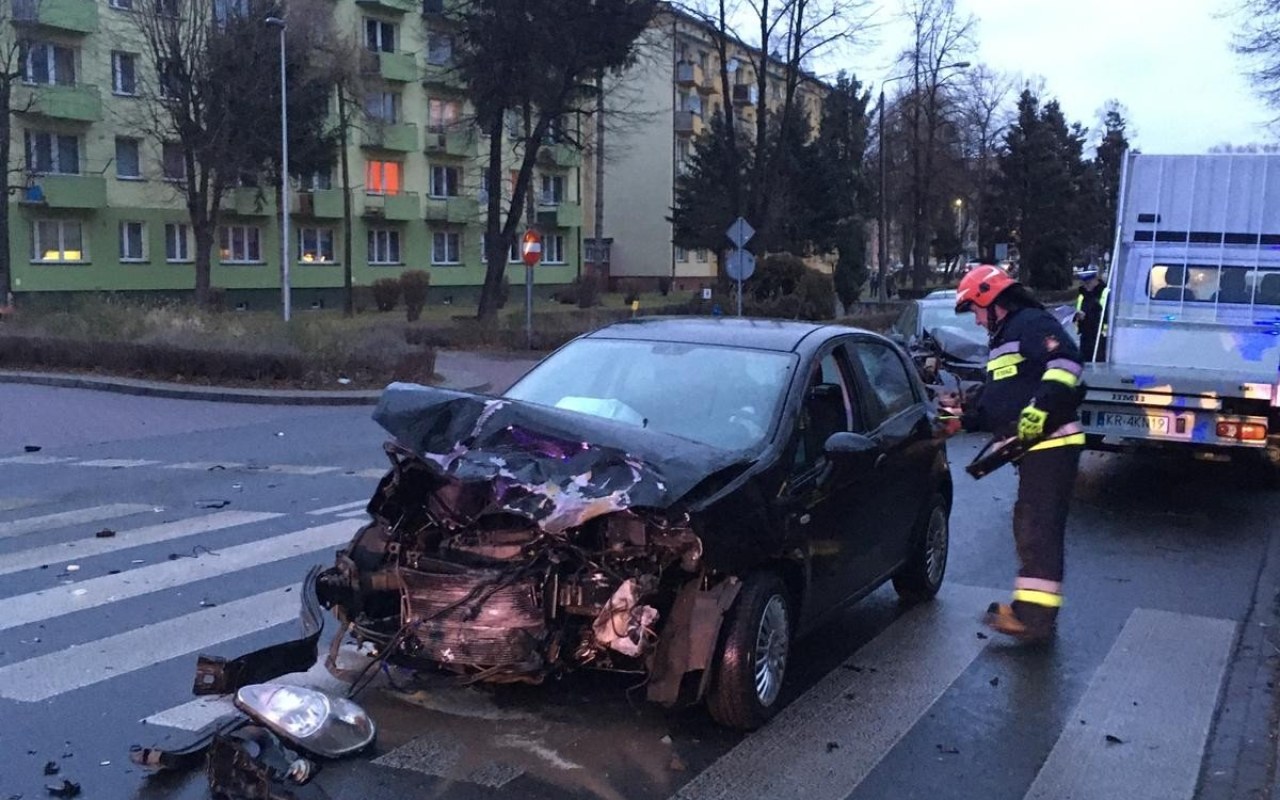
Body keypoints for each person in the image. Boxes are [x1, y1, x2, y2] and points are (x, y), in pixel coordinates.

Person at [954, 264, 1084, 643]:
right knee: (1030, 525)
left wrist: (1041, 407)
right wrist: (963, 418)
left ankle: (1033, 620)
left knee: (1038, 529)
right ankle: (1034, 615)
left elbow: (1067, 362)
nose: (977, 320)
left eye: (976, 310)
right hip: (1036, 448)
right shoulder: (1004, 338)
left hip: (1052, 442)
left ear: (992, 300)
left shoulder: (1030, 323)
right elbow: (1001, 399)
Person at [1072, 270, 1109, 362]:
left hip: (1101, 337)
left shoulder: (1105, 293)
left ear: (1095, 280)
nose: (1086, 286)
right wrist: (1076, 316)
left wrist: (1087, 316)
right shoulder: (1083, 295)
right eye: (1084, 283)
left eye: (1088, 283)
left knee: (1099, 364)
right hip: (1085, 337)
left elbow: (1108, 316)